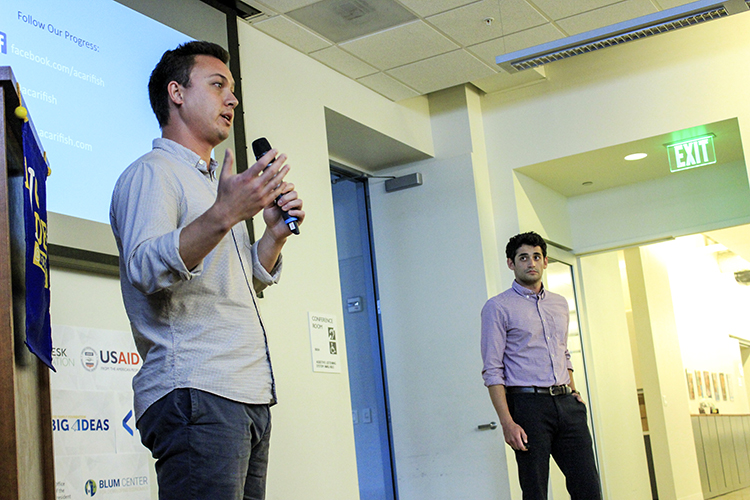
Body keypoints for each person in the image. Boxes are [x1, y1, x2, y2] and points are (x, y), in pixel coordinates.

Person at [110, 41, 304, 500]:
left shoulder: (214, 186)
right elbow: (144, 267)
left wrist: (272, 236)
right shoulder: (153, 173)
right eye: (218, 86)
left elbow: (241, 283)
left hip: (246, 393)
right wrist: (224, 214)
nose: (232, 100)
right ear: (176, 93)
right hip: (197, 391)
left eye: (233, 90)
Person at [480, 232, 601, 500]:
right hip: (528, 407)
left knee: (588, 487)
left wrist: (574, 390)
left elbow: (563, 352)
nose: (531, 263)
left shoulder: (559, 304)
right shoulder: (497, 307)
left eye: (536, 257)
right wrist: (507, 422)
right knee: (535, 491)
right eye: (523, 258)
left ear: (545, 261)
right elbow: (492, 369)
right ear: (511, 263)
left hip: (568, 404)